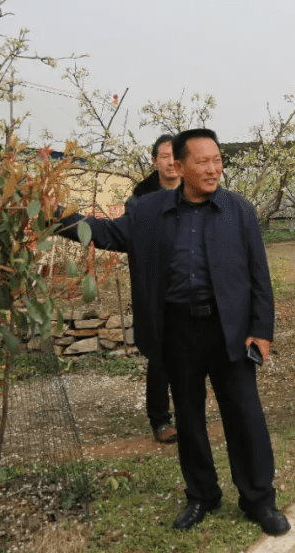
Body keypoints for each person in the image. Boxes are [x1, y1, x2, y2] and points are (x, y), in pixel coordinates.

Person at [57, 129, 290, 536]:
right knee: (189, 417)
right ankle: (202, 494)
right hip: (177, 330)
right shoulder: (149, 211)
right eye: (202, 162)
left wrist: (261, 330)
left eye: (217, 160)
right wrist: (58, 217)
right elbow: (107, 232)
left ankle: (258, 499)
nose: (213, 168)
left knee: (245, 416)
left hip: (228, 329)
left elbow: (259, 276)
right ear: (179, 167)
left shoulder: (239, 210)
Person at [126, 134, 181, 445]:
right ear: (154, 162)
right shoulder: (140, 199)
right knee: (160, 357)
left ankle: (190, 412)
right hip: (156, 288)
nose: (171, 162)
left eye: (175, 156)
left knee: (191, 355)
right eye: (164, 157)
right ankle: (160, 419)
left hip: (190, 287)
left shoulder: (195, 191)